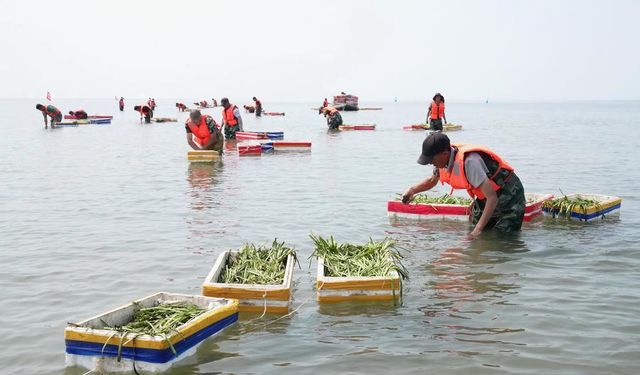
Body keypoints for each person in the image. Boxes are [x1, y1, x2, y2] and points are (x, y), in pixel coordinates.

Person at [402, 132, 525, 239]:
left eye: (431, 159)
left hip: (509, 195)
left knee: (502, 238)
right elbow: (432, 180)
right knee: (475, 229)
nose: (430, 163)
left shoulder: (470, 162)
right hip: (485, 196)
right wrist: (412, 190)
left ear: (444, 153)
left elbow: (492, 198)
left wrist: (478, 230)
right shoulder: (442, 162)